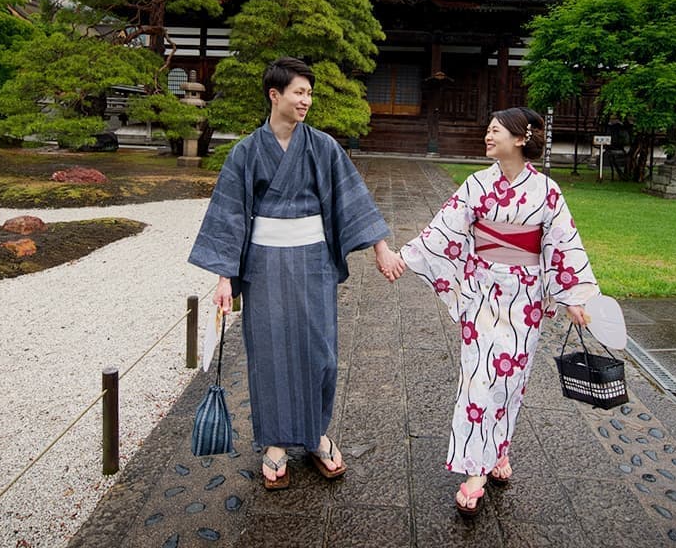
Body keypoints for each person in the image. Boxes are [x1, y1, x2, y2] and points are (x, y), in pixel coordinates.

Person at [189, 57, 406, 490]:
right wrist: (223, 277)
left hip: (312, 262)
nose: (306, 100)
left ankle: (316, 435)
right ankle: (274, 444)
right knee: (269, 350)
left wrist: (381, 248)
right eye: (299, 92)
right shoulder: (246, 152)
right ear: (276, 95)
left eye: (309, 93)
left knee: (319, 350)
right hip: (264, 265)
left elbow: (352, 198)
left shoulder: (323, 146)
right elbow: (230, 214)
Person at [393, 106, 598, 513]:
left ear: (520, 139)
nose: (487, 136)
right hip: (483, 291)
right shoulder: (475, 185)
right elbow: (444, 229)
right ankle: (474, 469)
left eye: (496, 131)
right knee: (478, 379)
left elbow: (562, 243)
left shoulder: (547, 191)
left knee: (510, 381)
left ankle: (498, 449)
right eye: (487, 129)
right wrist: (405, 257)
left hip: (525, 297)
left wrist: (574, 295)